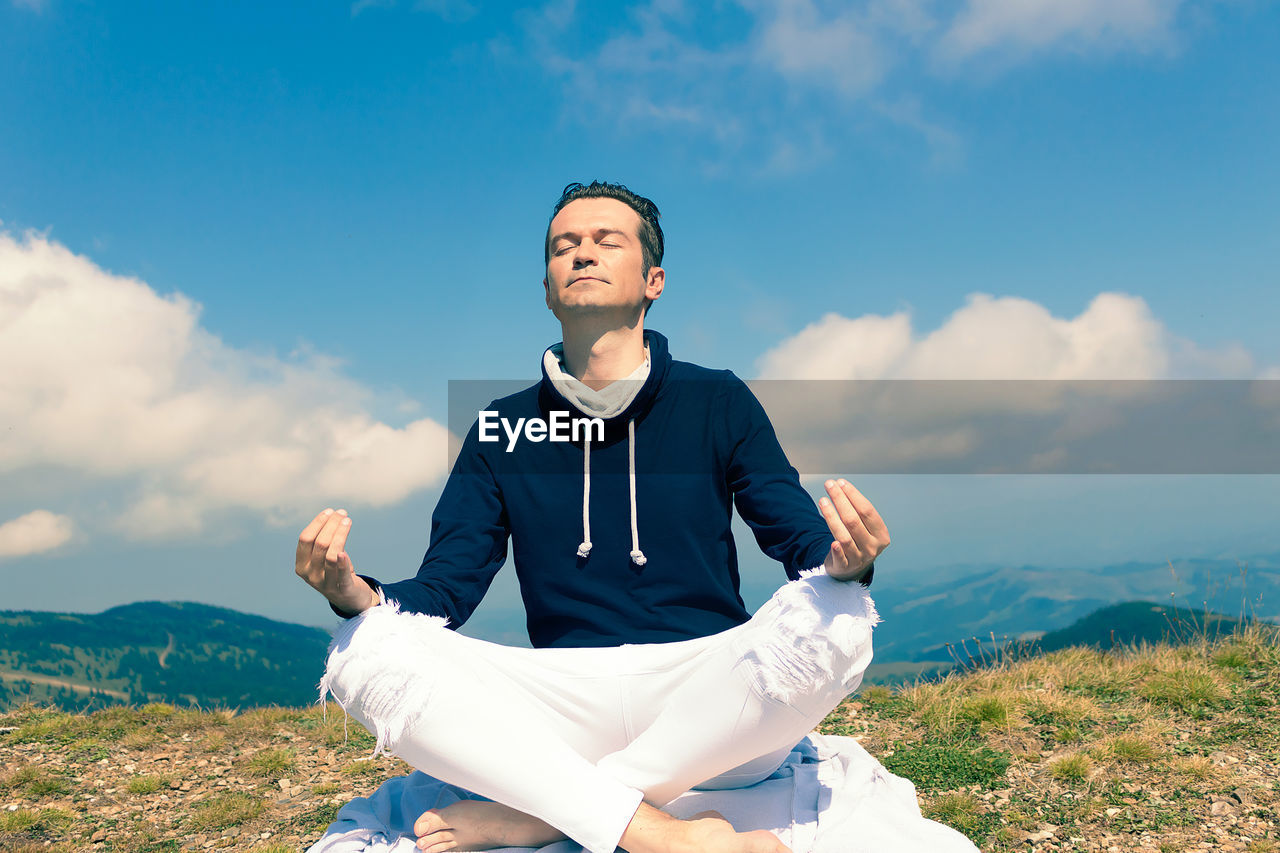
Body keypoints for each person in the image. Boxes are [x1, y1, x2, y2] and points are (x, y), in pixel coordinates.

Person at [296, 182, 890, 853]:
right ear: (548, 290)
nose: (581, 253)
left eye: (607, 241)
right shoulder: (501, 429)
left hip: (707, 698)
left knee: (840, 615)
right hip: (562, 704)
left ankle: (547, 815)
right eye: (563, 246)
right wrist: (356, 594)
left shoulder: (716, 398)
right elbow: (444, 591)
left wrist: (847, 561)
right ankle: (656, 830)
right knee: (362, 649)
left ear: (653, 281)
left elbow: (797, 536)